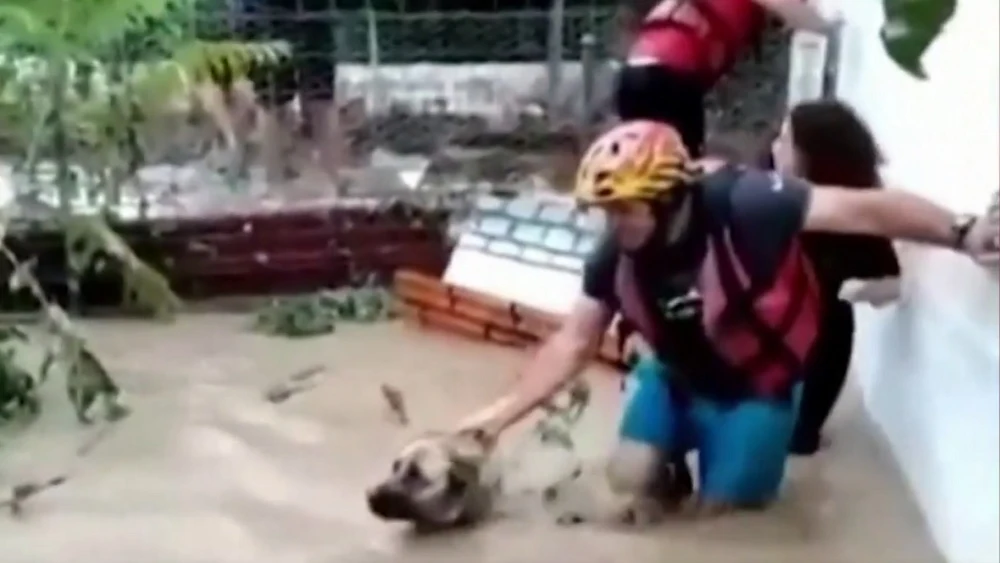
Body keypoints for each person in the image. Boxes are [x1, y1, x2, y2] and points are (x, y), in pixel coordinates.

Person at [452, 120, 999, 517]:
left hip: (754, 391)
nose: (611, 224)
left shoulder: (750, 205)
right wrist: (494, 420)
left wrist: (962, 232)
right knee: (625, 487)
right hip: (674, 380)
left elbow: (865, 209)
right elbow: (572, 343)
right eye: (605, 211)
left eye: (623, 209)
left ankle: (720, 474)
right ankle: (665, 470)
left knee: (724, 525)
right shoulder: (613, 255)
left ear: (667, 200)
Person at [767, 99, 902, 455]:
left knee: (795, 443)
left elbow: (892, 284)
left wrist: (854, 289)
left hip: (820, 344)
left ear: (814, 156)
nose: (773, 146)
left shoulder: (853, 215)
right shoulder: (765, 194)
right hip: (769, 333)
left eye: (785, 140)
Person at [615, 0, 838, 157]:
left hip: (632, 76)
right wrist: (828, 27)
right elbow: (792, 11)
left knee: (643, 162)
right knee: (680, 167)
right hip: (667, 78)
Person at [242, 0, 345, 190]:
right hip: (309, 13)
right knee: (318, 101)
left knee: (273, 103)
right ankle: (331, 181)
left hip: (266, 14)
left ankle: (275, 184)